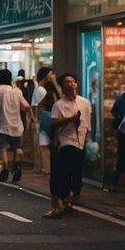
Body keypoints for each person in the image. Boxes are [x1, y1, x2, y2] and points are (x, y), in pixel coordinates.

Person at [43, 72, 91, 219]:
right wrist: (70, 119)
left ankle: (70, 199)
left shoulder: (85, 103)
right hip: (65, 142)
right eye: (67, 82)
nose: (70, 84)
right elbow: (54, 123)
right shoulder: (59, 105)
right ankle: (62, 202)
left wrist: (88, 137)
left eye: (73, 82)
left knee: (76, 174)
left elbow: (87, 123)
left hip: (81, 142)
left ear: (76, 84)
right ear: (62, 86)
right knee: (62, 174)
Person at [0, 68, 30, 182]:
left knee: (3, 147)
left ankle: (5, 168)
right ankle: (17, 165)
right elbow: (26, 106)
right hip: (17, 125)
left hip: (2, 124)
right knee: (17, 147)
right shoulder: (17, 91)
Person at [34, 77, 60, 177]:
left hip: (45, 119)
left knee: (44, 146)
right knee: (53, 145)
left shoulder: (44, 94)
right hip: (56, 119)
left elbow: (40, 107)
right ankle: (51, 168)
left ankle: (46, 168)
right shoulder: (57, 95)